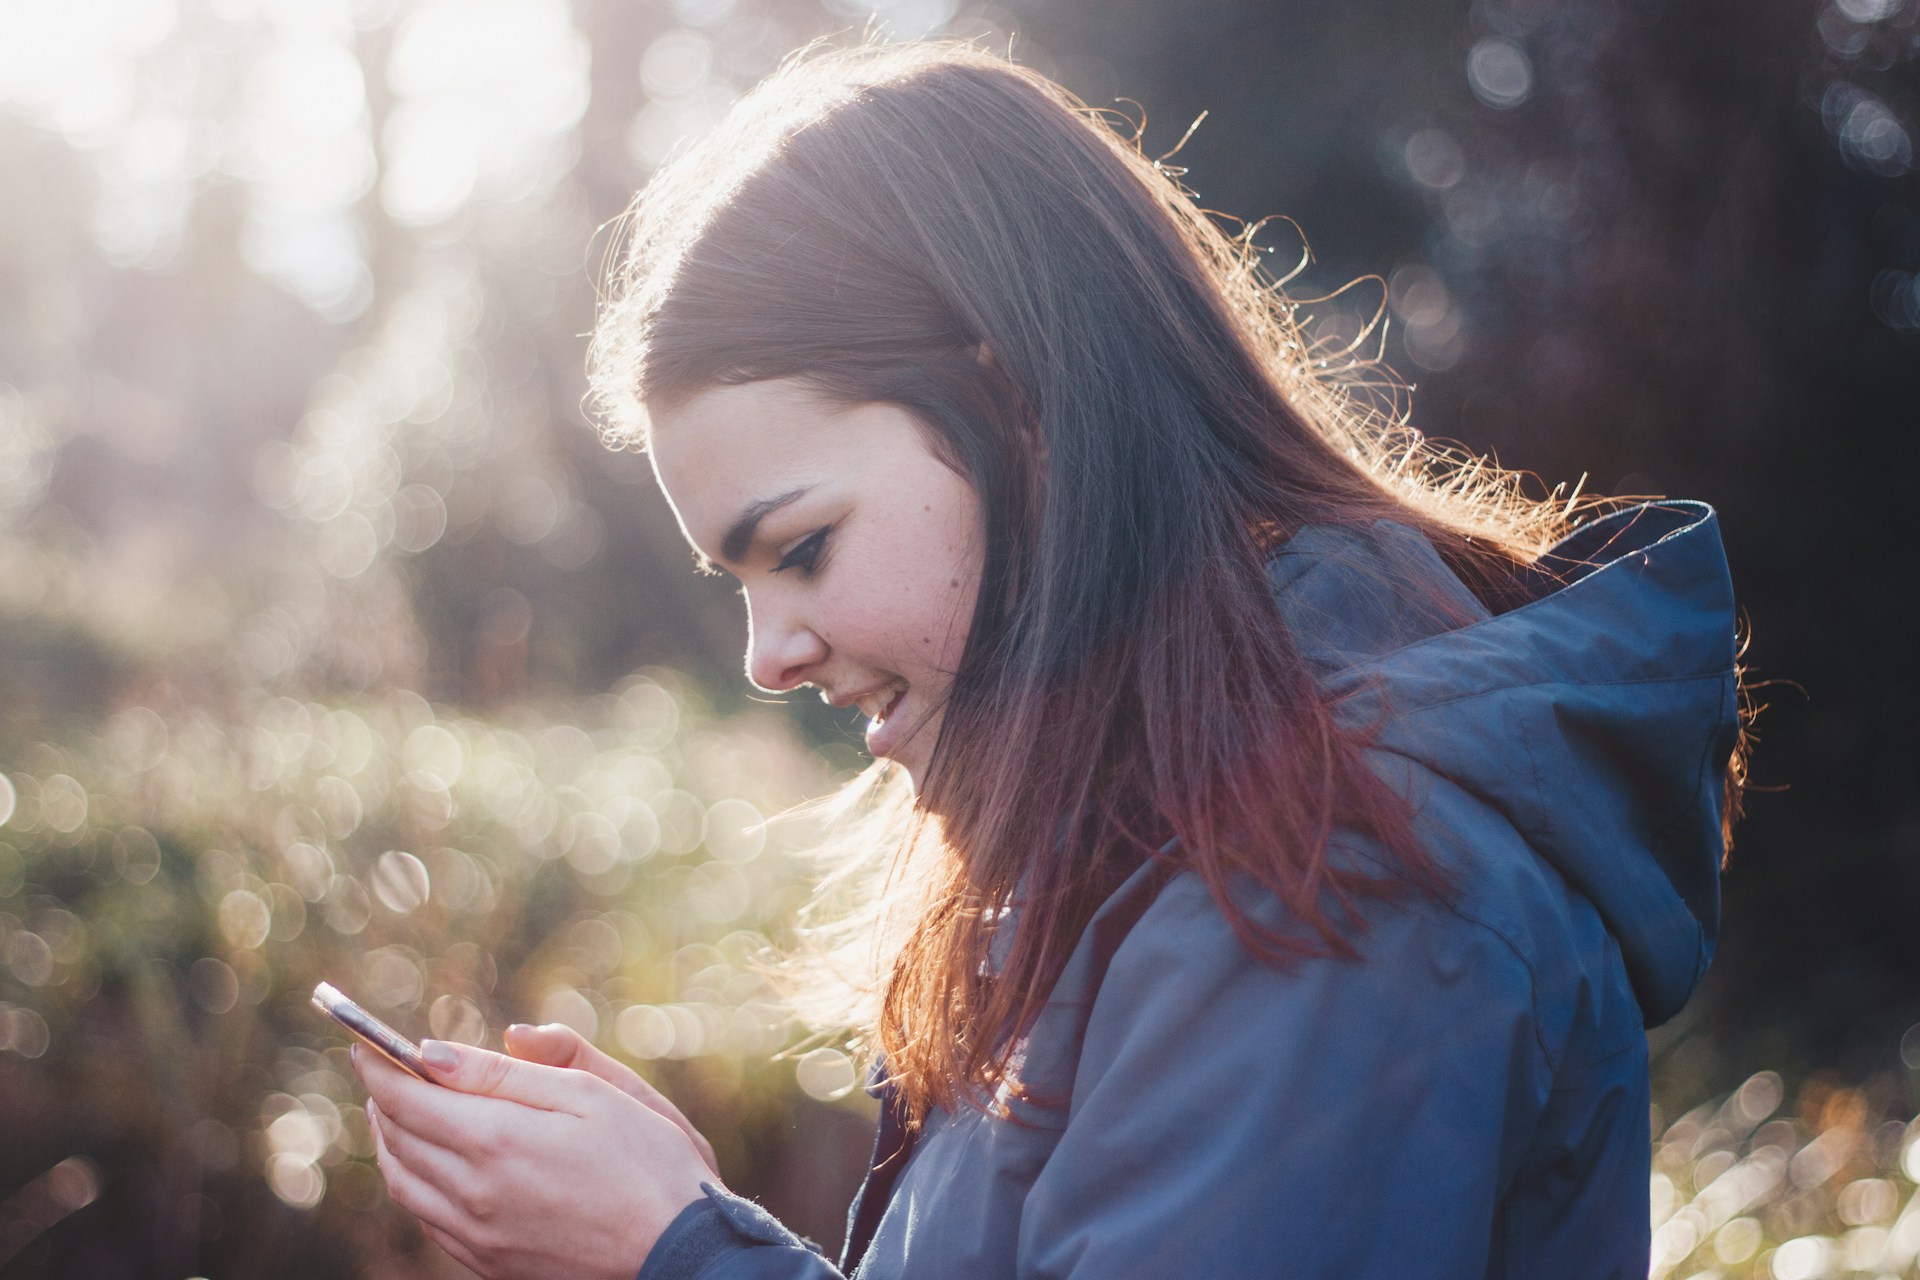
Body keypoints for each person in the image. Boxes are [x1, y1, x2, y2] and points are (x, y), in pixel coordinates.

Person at [351, 40, 1747, 1280]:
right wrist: (675, 1221)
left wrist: (674, 1253)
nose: (770, 656)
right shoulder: (1179, 838)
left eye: (804, 547)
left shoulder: (1332, 884)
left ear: (1018, 405)